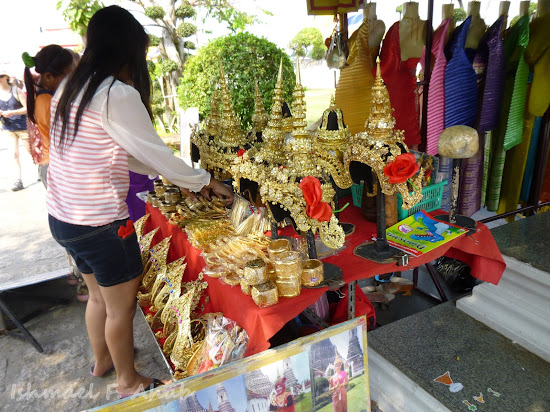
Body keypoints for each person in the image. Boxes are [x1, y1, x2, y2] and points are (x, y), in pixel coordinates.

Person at [47, 5, 233, 398]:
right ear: (128, 50)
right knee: (121, 309)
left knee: (97, 296)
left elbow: (120, 151)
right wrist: (203, 180)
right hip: (100, 225)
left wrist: (174, 176)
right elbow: (155, 153)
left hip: (64, 218)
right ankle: (128, 380)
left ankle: (103, 361)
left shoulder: (71, 85)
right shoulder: (116, 94)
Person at [22, 44, 90, 302]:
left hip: (52, 164)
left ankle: (79, 276)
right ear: (49, 77)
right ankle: (85, 283)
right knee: (76, 225)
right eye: (66, 75)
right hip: (55, 165)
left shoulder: (45, 97)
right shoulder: (47, 101)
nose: (69, 81)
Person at [0, 70, 28, 191]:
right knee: (14, 154)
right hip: (8, 128)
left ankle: (42, 172)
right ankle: (18, 180)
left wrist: (13, 112)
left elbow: (27, 108)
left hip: (24, 127)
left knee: (33, 152)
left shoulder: (16, 91)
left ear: (6, 77)